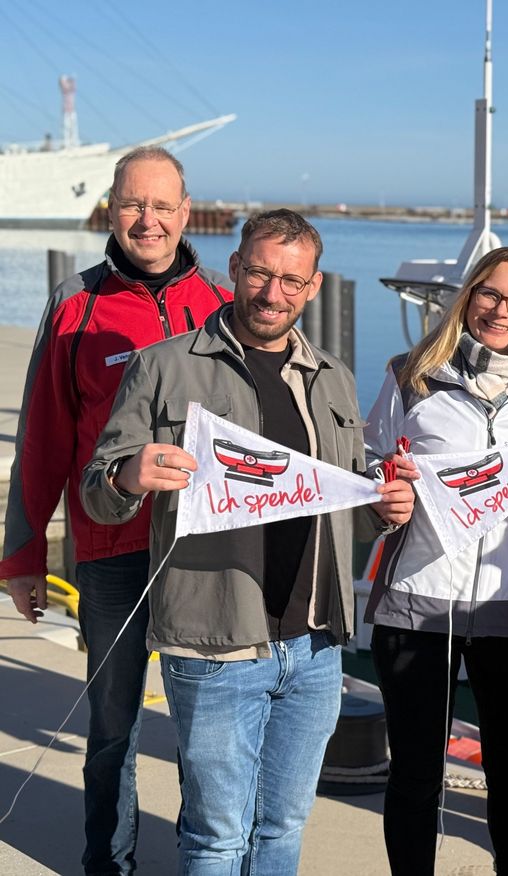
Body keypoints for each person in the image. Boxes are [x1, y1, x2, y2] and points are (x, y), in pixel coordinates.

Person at [80, 209, 415, 874]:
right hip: (214, 644)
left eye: (291, 281)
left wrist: (385, 507)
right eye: (260, 273)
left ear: (314, 287)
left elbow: (348, 501)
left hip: (315, 645)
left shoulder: (334, 376)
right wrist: (127, 475)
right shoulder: (162, 366)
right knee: (216, 837)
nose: (272, 294)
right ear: (234, 268)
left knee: (284, 826)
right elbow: (97, 492)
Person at [0, 146, 230, 874]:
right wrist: (23, 558)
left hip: (203, 557)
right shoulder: (76, 304)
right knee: (111, 732)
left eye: (162, 206)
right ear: (111, 209)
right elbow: (41, 440)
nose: (148, 220)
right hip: (108, 553)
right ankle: (109, 864)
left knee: (206, 738)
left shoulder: (223, 305)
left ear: (186, 213)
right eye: (133, 204)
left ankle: (202, 861)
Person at [362, 246, 508, 876]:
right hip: (415, 609)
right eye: (491, 294)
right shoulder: (411, 375)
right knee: (415, 776)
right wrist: (386, 497)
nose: (503, 311)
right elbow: (372, 469)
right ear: (469, 296)